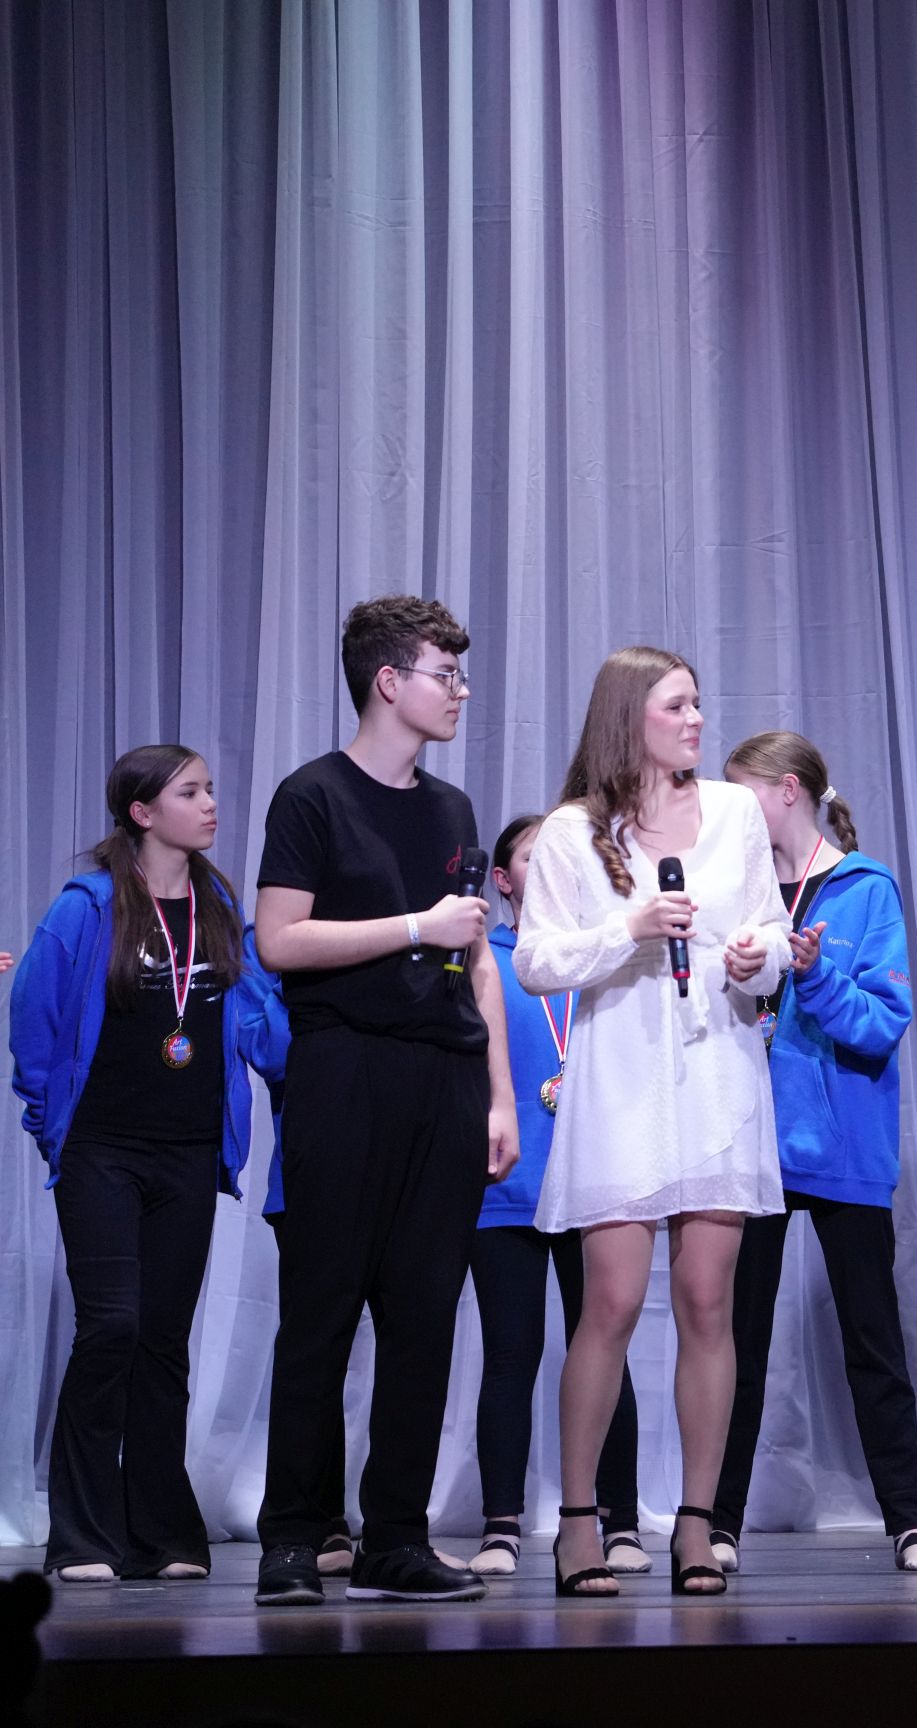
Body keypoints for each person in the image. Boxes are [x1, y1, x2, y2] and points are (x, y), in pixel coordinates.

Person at [251, 596, 517, 1608]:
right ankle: (292, 1536)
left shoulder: (453, 810)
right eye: (444, 674)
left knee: (423, 1319)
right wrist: (415, 924)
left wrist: (498, 1096)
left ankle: (396, 1538)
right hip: (344, 1072)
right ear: (388, 682)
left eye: (461, 675)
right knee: (320, 1313)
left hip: (444, 1078)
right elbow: (280, 939)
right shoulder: (312, 796)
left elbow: (477, 960)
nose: (459, 692)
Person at [513, 647, 794, 1597]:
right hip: (624, 1079)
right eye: (677, 706)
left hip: (715, 1071)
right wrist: (626, 930)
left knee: (710, 1301)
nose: (696, 720)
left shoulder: (736, 813)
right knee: (613, 1302)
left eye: (699, 704)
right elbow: (536, 962)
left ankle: (697, 1525)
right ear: (629, 715)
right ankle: (580, 1521)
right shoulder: (570, 831)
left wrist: (760, 957)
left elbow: (769, 933)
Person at [10, 746, 287, 1582]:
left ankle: (161, 1536)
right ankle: (82, 1537)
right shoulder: (86, 907)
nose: (210, 805)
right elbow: (34, 1020)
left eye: (210, 790)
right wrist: (51, 1126)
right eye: (190, 792)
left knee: (164, 1342)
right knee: (112, 1329)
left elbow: (256, 1018)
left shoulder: (217, 905)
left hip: (189, 1154)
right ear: (142, 812)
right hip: (102, 1151)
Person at [713, 732, 917, 1574]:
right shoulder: (731, 887)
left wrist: (813, 976)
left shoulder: (866, 887)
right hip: (751, 1149)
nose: (727, 809)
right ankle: (717, 1524)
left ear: (787, 792)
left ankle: (909, 1524)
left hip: (845, 1144)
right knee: (732, 1346)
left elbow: (882, 1024)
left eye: (741, 792)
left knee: (873, 1342)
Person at [459, 814, 647, 1578]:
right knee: (511, 1353)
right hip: (506, 1187)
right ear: (504, 881)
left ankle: (621, 1519)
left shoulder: (604, 955)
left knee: (604, 1346)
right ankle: (501, 1524)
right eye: (536, 858)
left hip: (595, 1181)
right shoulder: (486, 959)